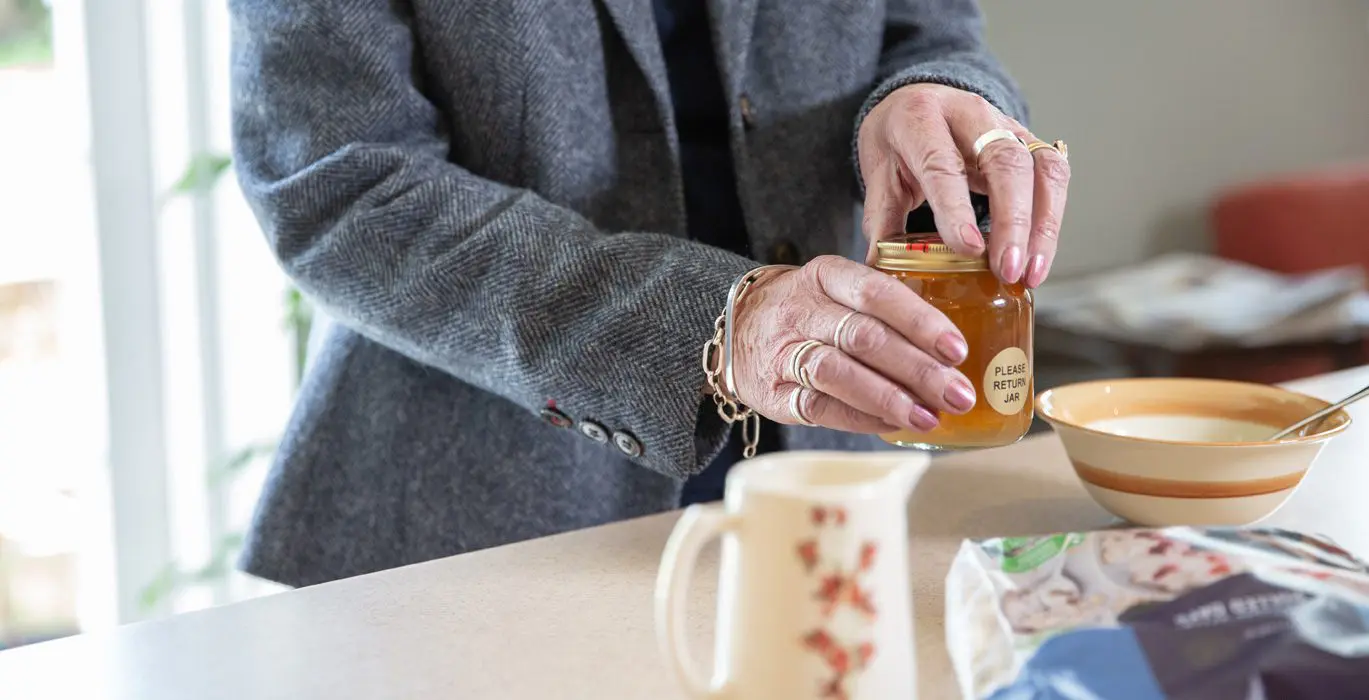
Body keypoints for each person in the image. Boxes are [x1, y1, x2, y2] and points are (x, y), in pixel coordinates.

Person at [229, 0, 1071, 587]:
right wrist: (715, 322)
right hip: (484, 525)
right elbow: (339, 185)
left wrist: (940, 96)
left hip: (834, 485)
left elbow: (928, 30)